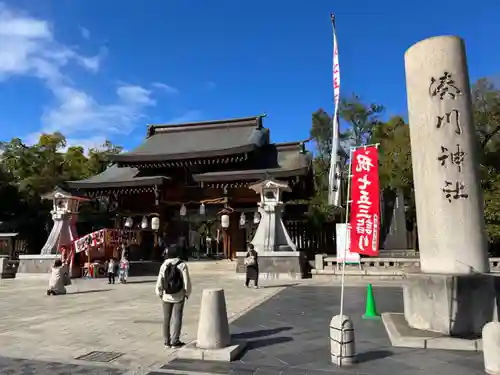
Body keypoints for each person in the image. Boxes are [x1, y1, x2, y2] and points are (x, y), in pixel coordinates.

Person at [155, 246, 191, 349]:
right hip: (179, 295)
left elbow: (160, 280)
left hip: (166, 296)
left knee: (166, 318)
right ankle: (175, 341)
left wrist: (159, 292)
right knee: (177, 318)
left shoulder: (164, 265)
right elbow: (186, 281)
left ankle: (166, 341)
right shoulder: (182, 265)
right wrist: (187, 293)